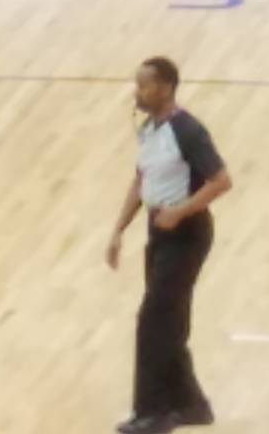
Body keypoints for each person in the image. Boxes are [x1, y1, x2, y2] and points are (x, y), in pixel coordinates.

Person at [106, 56, 230, 434]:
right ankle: (192, 406)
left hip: (187, 235)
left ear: (164, 87)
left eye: (144, 85)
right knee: (169, 321)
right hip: (159, 232)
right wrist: (119, 229)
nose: (138, 91)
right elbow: (141, 178)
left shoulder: (187, 130)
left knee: (153, 322)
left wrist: (180, 211)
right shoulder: (149, 130)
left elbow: (221, 180)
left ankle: (154, 413)